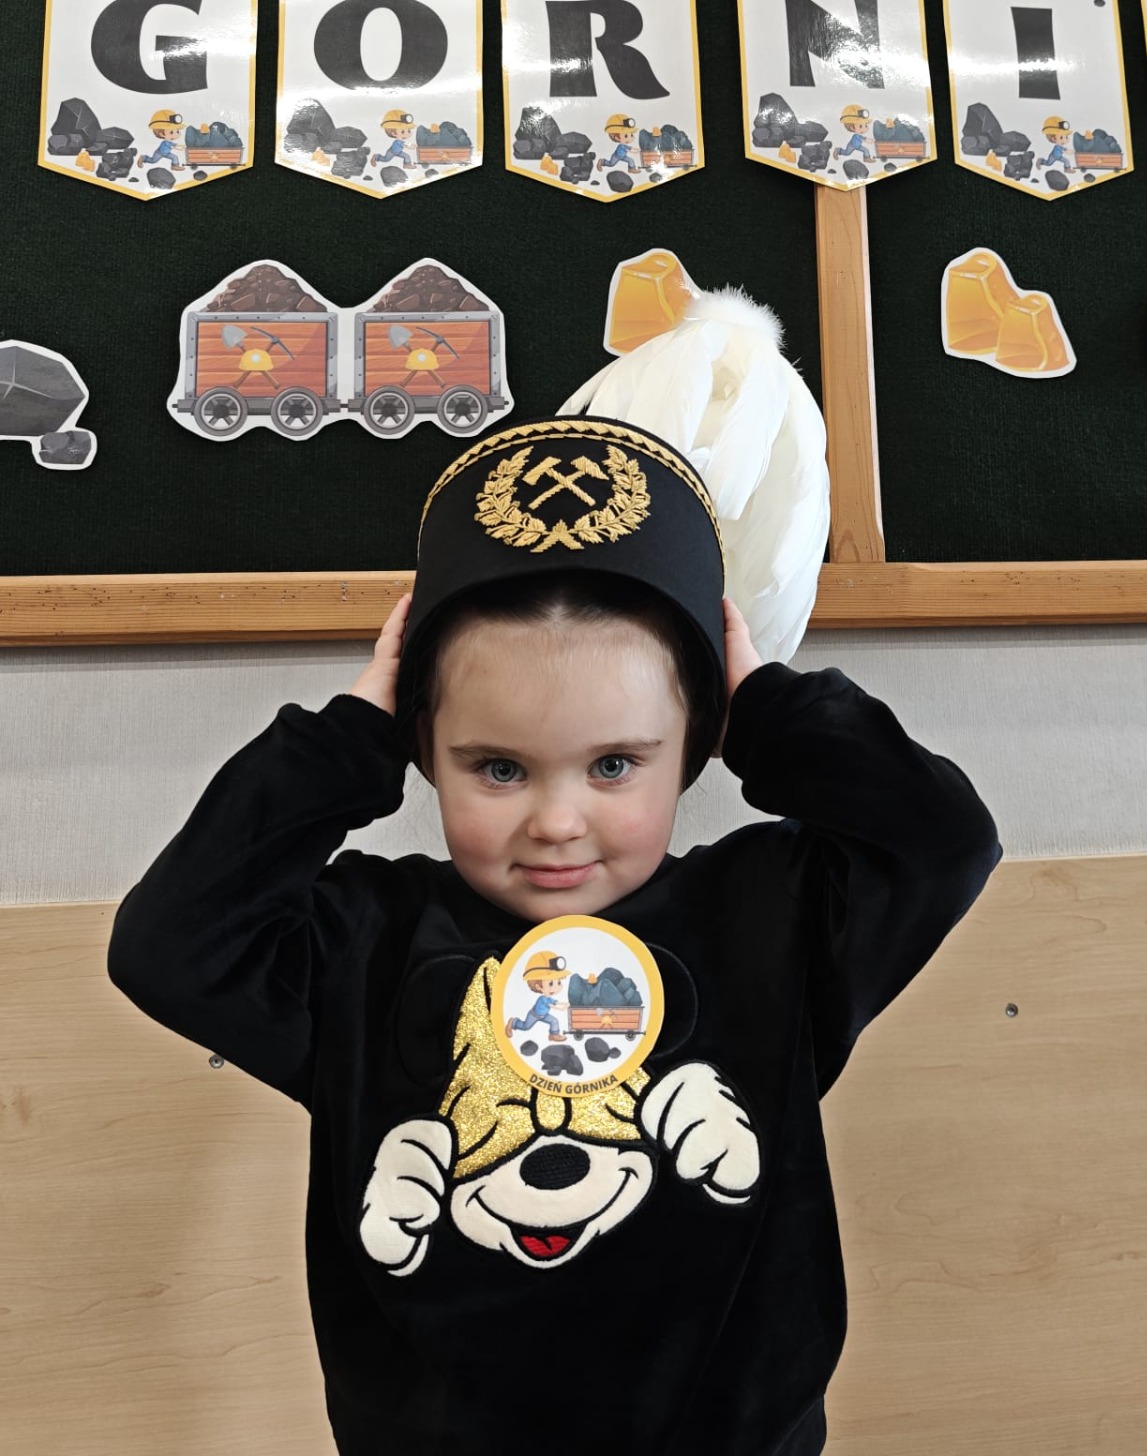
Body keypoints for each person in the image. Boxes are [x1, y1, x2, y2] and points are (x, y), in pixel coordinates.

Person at [107, 412, 1000, 1455]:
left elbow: (943, 842)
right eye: (499, 768)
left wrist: (762, 706)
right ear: (422, 748)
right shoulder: (360, 944)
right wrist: (348, 739)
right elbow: (169, 943)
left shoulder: (776, 917)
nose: (557, 821)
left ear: (695, 744)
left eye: (614, 765)